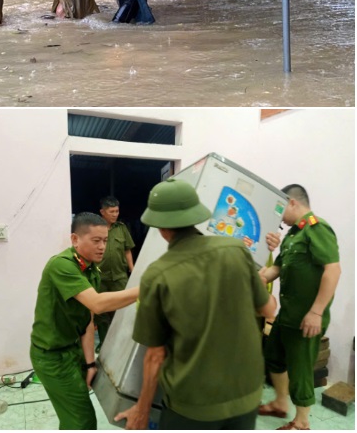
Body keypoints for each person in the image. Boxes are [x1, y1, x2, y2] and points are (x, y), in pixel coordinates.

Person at [115, 178, 277, 430]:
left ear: (161, 228)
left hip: (192, 406)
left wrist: (142, 411)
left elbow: (155, 356)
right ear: (195, 216)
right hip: (245, 396)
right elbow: (268, 309)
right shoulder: (236, 250)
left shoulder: (158, 275)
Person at [30, 212, 140, 429]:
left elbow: (89, 322)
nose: (102, 247)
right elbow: (98, 303)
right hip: (52, 357)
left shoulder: (90, 269)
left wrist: (89, 363)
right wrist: (146, 289)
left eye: (105, 241)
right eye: (96, 241)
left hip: (73, 350)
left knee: (73, 416)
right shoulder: (61, 266)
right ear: (75, 239)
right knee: (82, 420)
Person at [258, 184, 340, 431]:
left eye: (281, 209)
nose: (280, 217)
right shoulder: (293, 235)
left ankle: (301, 422)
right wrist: (260, 275)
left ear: (292, 202)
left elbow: (333, 270)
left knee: (301, 369)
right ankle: (280, 403)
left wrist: (316, 312)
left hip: (306, 318)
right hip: (287, 315)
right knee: (273, 356)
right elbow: (277, 269)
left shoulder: (317, 228)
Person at [94, 196, 135, 350]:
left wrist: (133, 270)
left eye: (117, 211)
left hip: (119, 277)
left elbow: (127, 250)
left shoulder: (121, 228)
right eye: (111, 211)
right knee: (102, 312)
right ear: (102, 212)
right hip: (100, 277)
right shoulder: (95, 229)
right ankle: (104, 344)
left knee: (123, 310)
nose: (115, 214)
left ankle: (122, 343)